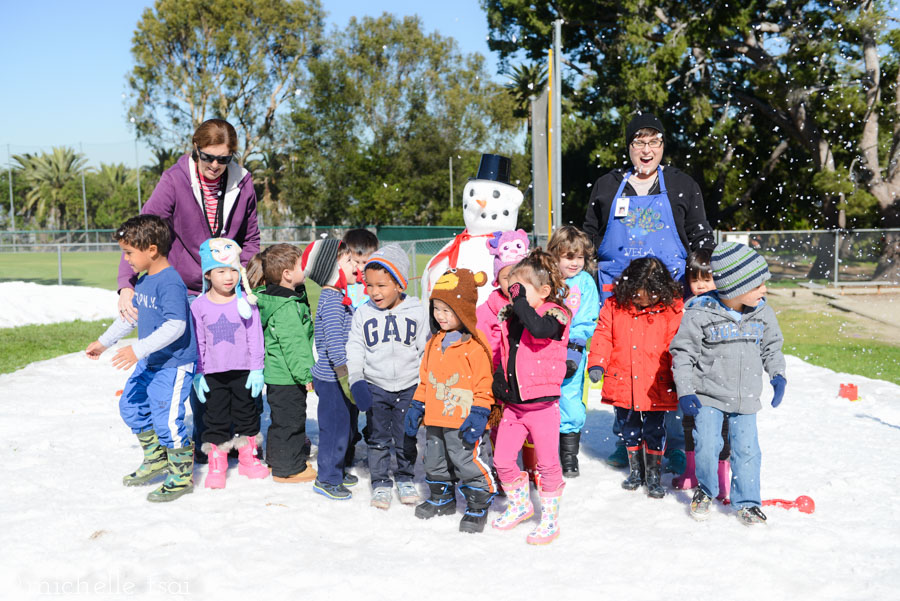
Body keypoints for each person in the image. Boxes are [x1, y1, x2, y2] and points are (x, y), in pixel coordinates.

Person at [117, 118, 261, 462]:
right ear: (194, 149)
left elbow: (251, 239)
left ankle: (238, 440)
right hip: (187, 291)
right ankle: (194, 441)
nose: (214, 165)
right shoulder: (175, 180)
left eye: (223, 159)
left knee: (231, 364)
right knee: (192, 368)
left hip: (228, 289)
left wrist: (244, 277)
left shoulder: (243, 184)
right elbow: (144, 231)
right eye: (207, 156)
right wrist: (126, 285)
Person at [583, 112, 714, 468]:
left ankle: (670, 441)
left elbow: (701, 238)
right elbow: (590, 235)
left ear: (662, 147)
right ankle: (626, 440)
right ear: (628, 147)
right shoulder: (608, 185)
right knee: (622, 366)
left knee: (664, 367)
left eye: (654, 142)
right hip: (618, 297)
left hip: (668, 299)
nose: (646, 150)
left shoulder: (682, 183)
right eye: (639, 142)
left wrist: (702, 282)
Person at [670, 242, 787, 525]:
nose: (764, 291)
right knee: (707, 445)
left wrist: (777, 375)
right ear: (736, 287)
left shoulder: (762, 313)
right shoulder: (700, 314)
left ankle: (747, 502)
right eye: (758, 285)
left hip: (746, 398)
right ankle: (705, 490)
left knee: (748, 451)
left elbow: (772, 347)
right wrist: (685, 390)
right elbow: (683, 353)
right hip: (708, 395)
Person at [86, 215, 197, 502]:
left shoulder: (170, 282)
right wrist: (104, 342)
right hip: (151, 361)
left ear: (151, 249)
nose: (126, 260)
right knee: (131, 405)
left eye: (128, 253)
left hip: (173, 365)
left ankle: (181, 476)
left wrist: (137, 350)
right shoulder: (144, 281)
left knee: (168, 421)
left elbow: (177, 326)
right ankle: (156, 458)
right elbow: (130, 317)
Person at [406, 268, 497, 533]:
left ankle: (478, 503)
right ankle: (442, 498)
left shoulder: (474, 346)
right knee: (433, 460)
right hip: (435, 418)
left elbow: (483, 385)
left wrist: (480, 413)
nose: (440, 316)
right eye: (436, 308)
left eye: (448, 310)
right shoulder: (434, 343)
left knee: (466, 460)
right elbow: (426, 380)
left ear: (464, 310)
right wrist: (416, 405)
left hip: (464, 420)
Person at [491, 248, 570, 545]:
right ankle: (520, 504)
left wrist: (520, 301)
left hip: (543, 407)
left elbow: (537, 331)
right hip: (514, 407)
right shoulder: (513, 316)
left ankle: (549, 518)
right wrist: (500, 381)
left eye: (520, 288)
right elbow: (508, 356)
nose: (514, 295)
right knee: (502, 460)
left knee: (547, 464)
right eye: (511, 288)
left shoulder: (555, 315)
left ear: (545, 291)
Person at [586, 257, 683, 498]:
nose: (645, 299)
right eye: (640, 294)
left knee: (655, 430)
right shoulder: (614, 306)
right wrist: (597, 362)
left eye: (651, 294)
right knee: (628, 428)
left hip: (656, 384)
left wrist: (680, 374)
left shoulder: (672, 310)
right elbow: (603, 336)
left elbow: (678, 345)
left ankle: (653, 474)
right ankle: (636, 471)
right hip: (623, 381)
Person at [345, 245, 426, 509]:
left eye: (382, 285)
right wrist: (356, 379)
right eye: (369, 286)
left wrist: (425, 384)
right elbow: (355, 348)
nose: (374, 292)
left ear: (399, 283)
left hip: (409, 385)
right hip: (376, 385)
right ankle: (380, 483)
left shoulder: (418, 311)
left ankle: (404, 477)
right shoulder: (363, 313)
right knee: (377, 438)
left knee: (406, 436)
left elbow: (426, 349)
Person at [190, 237, 268, 489]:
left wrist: (257, 368)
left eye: (233, 271)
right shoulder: (199, 306)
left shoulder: (246, 303)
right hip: (213, 373)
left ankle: (248, 458)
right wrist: (198, 373)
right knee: (216, 418)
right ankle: (217, 462)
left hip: (244, 371)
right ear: (208, 275)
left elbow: (255, 337)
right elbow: (198, 341)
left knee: (248, 415)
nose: (228, 277)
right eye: (221, 271)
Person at [249, 244, 317, 484]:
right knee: (292, 421)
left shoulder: (280, 298)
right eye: (302, 265)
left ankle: (277, 460)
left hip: (279, 377)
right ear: (287, 274)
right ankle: (289, 468)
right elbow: (294, 345)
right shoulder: (287, 307)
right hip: (288, 376)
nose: (306, 269)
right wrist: (306, 375)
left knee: (281, 421)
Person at [671, 248, 732, 498]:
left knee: (723, 429)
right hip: (693, 381)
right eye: (695, 280)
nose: (700, 286)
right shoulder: (686, 308)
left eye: (707, 279)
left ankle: (720, 475)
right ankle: (693, 471)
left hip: (722, 382)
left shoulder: (727, 307)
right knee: (690, 425)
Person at [304, 239, 358, 500]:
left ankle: (337, 467)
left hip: (340, 376)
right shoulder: (333, 301)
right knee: (334, 429)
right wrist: (346, 376)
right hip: (334, 377)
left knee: (345, 426)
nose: (355, 266)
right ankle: (327, 478)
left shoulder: (339, 297)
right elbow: (335, 345)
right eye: (349, 262)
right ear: (333, 269)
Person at [547, 226, 600, 478]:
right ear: (555, 255)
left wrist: (576, 347)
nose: (575, 263)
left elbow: (588, 317)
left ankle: (569, 456)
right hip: (543, 350)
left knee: (570, 400)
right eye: (569, 257)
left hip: (571, 352)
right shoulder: (544, 278)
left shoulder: (585, 282)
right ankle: (544, 453)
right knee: (543, 401)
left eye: (580, 257)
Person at [343, 228, 379, 309]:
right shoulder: (339, 288)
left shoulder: (378, 289)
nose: (361, 268)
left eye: (365, 262)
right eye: (356, 262)